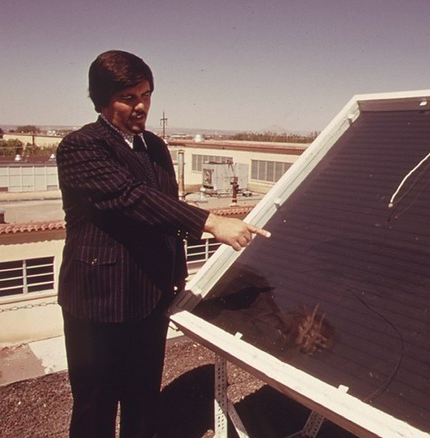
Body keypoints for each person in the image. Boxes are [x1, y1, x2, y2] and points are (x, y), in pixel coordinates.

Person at [56, 50, 270, 438]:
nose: (141, 106)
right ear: (103, 100)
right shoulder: (81, 147)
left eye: (146, 95)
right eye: (129, 98)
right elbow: (132, 198)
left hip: (148, 296)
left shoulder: (154, 146)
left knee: (142, 398)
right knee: (95, 405)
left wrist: (175, 275)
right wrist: (210, 222)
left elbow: (166, 209)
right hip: (97, 302)